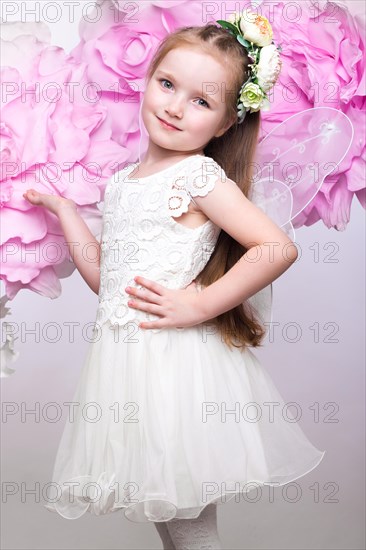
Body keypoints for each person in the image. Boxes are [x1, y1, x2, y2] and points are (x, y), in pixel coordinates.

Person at [22, 17, 325, 550]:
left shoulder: (197, 177)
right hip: (128, 367)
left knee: (191, 531)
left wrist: (200, 304)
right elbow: (110, 283)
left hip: (175, 373)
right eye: (167, 84)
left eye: (201, 102)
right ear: (148, 79)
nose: (175, 107)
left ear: (228, 122)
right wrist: (68, 211)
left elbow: (277, 247)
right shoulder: (122, 183)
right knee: (171, 526)